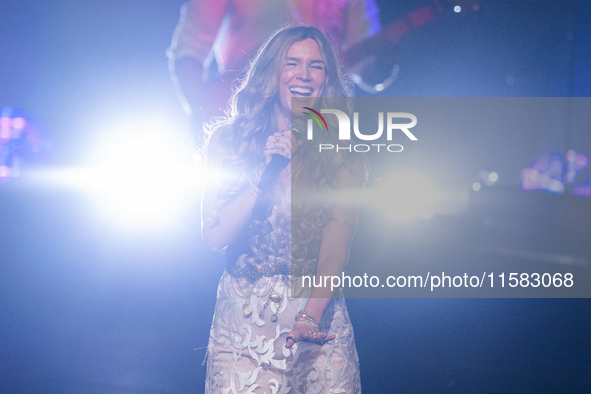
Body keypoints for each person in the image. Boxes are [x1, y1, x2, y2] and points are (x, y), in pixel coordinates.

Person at [201, 26, 365, 393]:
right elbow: (214, 237)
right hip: (243, 326)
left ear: (327, 79)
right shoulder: (230, 142)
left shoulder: (344, 153)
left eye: (316, 66)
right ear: (272, 73)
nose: (304, 75)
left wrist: (311, 316)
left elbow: (336, 248)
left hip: (316, 316)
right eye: (292, 63)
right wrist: (262, 176)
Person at [167, 0, 380, 150]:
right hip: (241, 122)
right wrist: (202, 115)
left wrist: (385, 62)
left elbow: (368, 71)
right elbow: (189, 50)